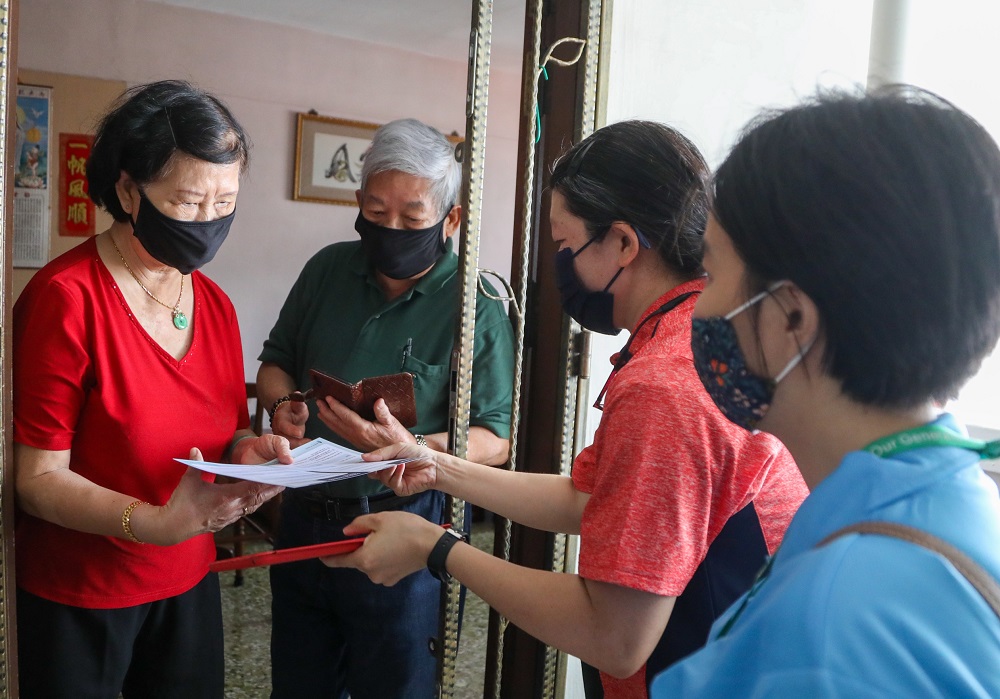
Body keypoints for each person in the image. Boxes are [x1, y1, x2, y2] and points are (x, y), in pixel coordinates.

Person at [324, 120, 808, 698]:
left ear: (624, 244)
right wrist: (438, 468)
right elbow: (590, 499)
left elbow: (614, 637)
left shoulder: (666, 384)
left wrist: (437, 547)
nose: (558, 266)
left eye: (562, 244)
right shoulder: (697, 335)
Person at [648, 87, 1000, 696]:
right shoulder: (951, 497)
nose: (699, 306)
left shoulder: (829, 629)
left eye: (710, 271)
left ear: (790, 320)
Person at [13, 80, 290, 699]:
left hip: (189, 579)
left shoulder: (214, 305)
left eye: (226, 202)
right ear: (129, 190)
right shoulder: (67, 299)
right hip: (82, 594)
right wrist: (154, 523)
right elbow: (36, 479)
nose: (210, 222)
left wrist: (250, 453)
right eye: (190, 201)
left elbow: (226, 433)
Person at [257, 117, 515, 699]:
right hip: (305, 509)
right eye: (376, 214)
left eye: (411, 218)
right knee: (299, 680)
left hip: (407, 516)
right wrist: (283, 406)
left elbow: (494, 438)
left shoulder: (478, 304)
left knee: (394, 683)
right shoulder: (327, 269)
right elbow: (275, 362)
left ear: (451, 219)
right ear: (358, 204)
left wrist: (416, 449)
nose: (391, 229)